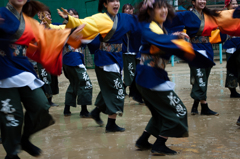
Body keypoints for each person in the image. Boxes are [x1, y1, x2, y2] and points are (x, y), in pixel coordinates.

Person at [0, 0, 84, 158]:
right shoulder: (1, 14)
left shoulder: (28, 22)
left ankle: (24, 139)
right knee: (12, 115)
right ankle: (11, 153)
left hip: (22, 68)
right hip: (3, 69)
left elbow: (47, 38)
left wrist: (69, 35)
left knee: (41, 104)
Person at [134, 0, 216, 155]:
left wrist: (174, 36)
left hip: (150, 77)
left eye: (165, 7)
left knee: (160, 112)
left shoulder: (159, 27)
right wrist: (178, 42)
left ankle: (143, 140)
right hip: (151, 78)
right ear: (150, 12)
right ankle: (159, 144)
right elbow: (157, 40)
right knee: (178, 111)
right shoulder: (148, 27)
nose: (164, 10)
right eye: (159, 8)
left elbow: (162, 40)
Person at [58, 0, 142, 132]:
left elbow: (140, 22)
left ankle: (97, 111)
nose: (116, 3)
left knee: (110, 88)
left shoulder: (124, 18)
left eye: (117, 0)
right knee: (118, 90)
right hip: (105, 59)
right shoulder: (100, 18)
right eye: (112, 1)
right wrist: (69, 19)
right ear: (105, 4)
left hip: (117, 58)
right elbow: (83, 23)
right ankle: (111, 124)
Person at [63, 8, 93, 117]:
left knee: (74, 84)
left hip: (72, 61)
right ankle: (84, 111)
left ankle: (67, 109)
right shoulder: (65, 28)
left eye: (76, 14)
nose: (74, 16)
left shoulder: (81, 28)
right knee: (86, 83)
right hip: (73, 60)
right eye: (71, 15)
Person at [37, 9, 60, 107]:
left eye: (49, 14)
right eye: (45, 15)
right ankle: (45, 101)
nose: (48, 16)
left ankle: (50, 100)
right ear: (40, 16)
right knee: (45, 79)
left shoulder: (53, 27)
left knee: (53, 80)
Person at [223, 0, 240, 98]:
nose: (235, 5)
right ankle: (232, 90)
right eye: (233, 3)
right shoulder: (225, 16)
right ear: (228, 5)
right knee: (232, 68)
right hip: (231, 46)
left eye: (236, 3)